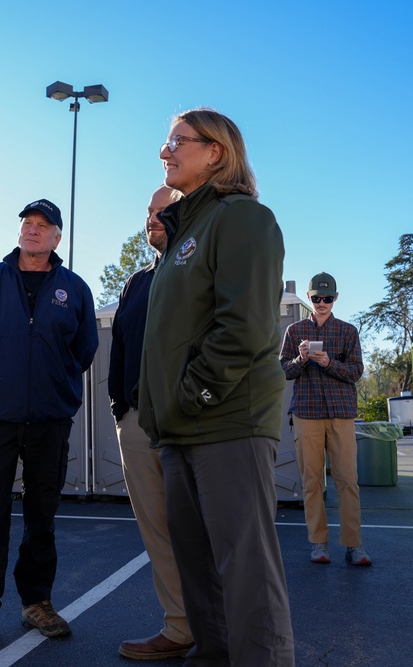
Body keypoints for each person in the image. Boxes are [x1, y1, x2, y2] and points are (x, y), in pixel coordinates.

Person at [137, 108, 295, 666]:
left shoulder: (241, 219)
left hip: (225, 422)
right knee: (200, 575)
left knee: (245, 571)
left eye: (178, 140)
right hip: (180, 430)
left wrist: (193, 394)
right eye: (167, 141)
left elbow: (245, 326)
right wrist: (168, 413)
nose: (165, 151)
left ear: (216, 153)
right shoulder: (188, 230)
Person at [0, 199, 98, 650]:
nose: (33, 231)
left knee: (42, 516)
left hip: (50, 418)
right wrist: (5, 379)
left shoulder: (73, 287)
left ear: (57, 238)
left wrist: (52, 384)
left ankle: (36, 602)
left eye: (43, 226)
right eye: (27, 224)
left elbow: (84, 349)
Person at [108, 185, 195, 661]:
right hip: (138, 422)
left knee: (200, 529)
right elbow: (119, 344)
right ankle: (180, 627)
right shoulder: (136, 281)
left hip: (189, 421)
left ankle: (221, 630)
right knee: (158, 532)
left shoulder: (198, 268)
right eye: (149, 211)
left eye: (165, 211)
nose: (153, 218)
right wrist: (120, 407)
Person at [280, 272, 371, 566]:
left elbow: (356, 371)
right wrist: (301, 359)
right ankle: (319, 544)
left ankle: (354, 545)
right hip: (306, 414)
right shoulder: (294, 332)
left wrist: (329, 363)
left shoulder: (347, 332)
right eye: (317, 298)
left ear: (335, 298)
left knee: (348, 481)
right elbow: (283, 371)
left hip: (341, 414)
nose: (322, 303)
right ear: (309, 298)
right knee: (311, 482)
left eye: (327, 298)